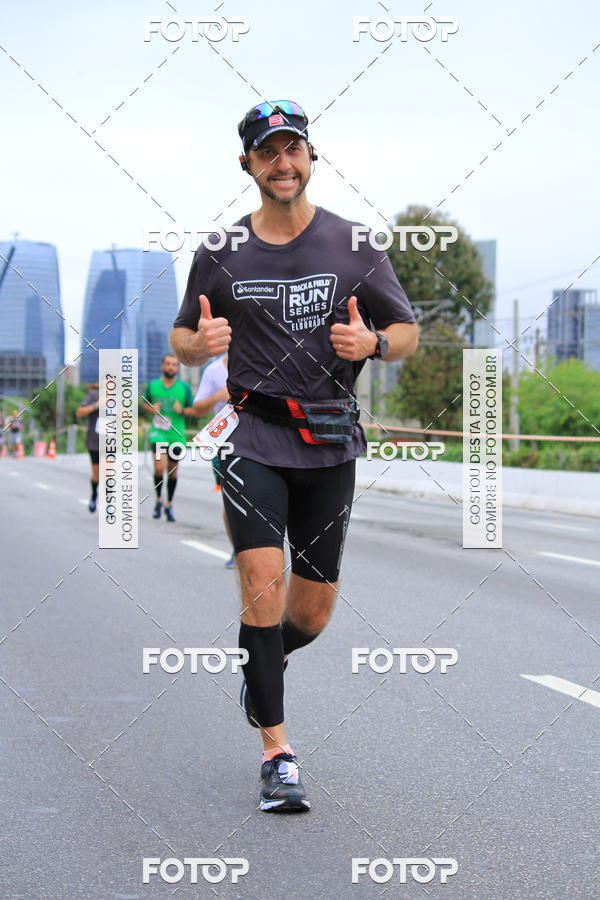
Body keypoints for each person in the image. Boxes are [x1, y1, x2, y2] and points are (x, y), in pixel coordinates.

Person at [170, 100, 418, 812]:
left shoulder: (354, 244)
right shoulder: (221, 249)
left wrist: (372, 344)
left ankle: (262, 666)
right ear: (247, 164)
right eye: (267, 152)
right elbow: (182, 338)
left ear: (311, 157)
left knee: (309, 615)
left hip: (330, 439)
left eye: (294, 150)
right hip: (252, 435)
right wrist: (200, 347)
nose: (283, 163)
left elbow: (406, 330)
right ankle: (278, 754)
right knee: (261, 582)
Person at [192, 355, 235, 568]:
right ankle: (238, 548)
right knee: (231, 498)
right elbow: (197, 408)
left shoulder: (261, 359)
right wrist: (218, 396)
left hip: (262, 436)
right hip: (225, 440)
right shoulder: (213, 371)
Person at [141, 354, 195, 522]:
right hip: (158, 433)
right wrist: (151, 409)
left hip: (176, 435)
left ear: (177, 369)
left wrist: (182, 411)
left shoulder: (184, 388)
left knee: (172, 471)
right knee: (159, 468)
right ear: (162, 366)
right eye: (168, 364)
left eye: (174, 365)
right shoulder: (153, 386)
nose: (171, 367)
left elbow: (193, 411)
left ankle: (169, 504)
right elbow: (144, 403)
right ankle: (158, 500)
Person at [76, 384, 100, 512]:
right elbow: (79, 413)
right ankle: (94, 494)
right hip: (94, 441)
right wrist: (97, 404)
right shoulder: (93, 394)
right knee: (97, 474)